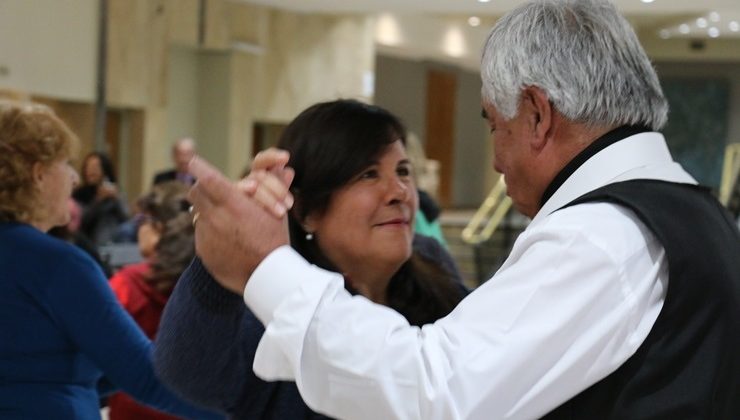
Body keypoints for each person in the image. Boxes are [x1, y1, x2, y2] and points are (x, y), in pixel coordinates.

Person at [185, 1, 740, 419]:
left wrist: (268, 263)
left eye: (494, 126)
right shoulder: (690, 208)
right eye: (367, 174)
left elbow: (434, 391)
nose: (496, 161)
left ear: (538, 115)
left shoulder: (602, 235)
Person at [153, 99, 467, 419]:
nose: (399, 191)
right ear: (307, 211)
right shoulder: (272, 300)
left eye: (403, 171)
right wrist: (216, 266)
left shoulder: (432, 262)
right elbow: (188, 376)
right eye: (369, 174)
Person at [0, 100, 221, 419]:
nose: (75, 179)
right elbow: (144, 375)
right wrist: (243, 410)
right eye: (66, 164)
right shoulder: (59, 265)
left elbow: (43, 363)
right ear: (38, 175)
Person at [107, 181, 195, 420]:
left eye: (141, 221)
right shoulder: (208, 283)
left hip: (133, 409)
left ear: (156, 227)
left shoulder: (128, 283)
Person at [73, 151, 129, 246]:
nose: (91, 171)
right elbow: (81, 220)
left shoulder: (114, 192)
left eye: (95, 167)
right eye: (88, 167)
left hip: (114, 243)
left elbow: (126, 218)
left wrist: (117, 199)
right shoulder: (79, 194)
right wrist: (98, 200)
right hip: (87, 243)